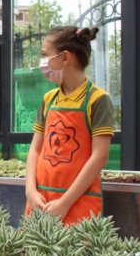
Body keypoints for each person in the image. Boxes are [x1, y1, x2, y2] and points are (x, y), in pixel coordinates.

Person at [24, 26, 113, 224]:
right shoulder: (49, 99)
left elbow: (100, 156)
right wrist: (30, 190)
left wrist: (65, 203)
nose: (42, 62)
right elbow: (35, 150)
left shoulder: (98, 100)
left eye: (45, 55)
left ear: (65, 58)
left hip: (78, 204)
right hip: (40, 200)